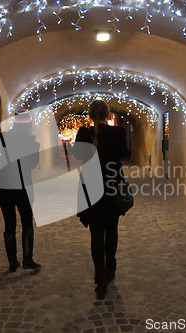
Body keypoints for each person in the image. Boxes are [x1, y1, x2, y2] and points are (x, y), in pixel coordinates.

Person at [75, 100, 128, 299]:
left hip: (91, 188)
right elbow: (124, 154)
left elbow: (78, 156)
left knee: (96, 235)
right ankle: (110, 266)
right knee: (112, 229)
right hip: (113, 187)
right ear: (108, 114)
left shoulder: (83, 133)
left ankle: (100, 278)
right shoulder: (118, 133)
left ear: (90, 115)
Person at [0, 110, 41, 272]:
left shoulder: (3, 137)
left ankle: (12, 261)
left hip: (4, 186)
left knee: (9, 225)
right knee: (27, 223)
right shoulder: (32, 142)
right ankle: (27, 259)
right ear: (28, 124)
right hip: (22, 187)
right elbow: (32, 165)